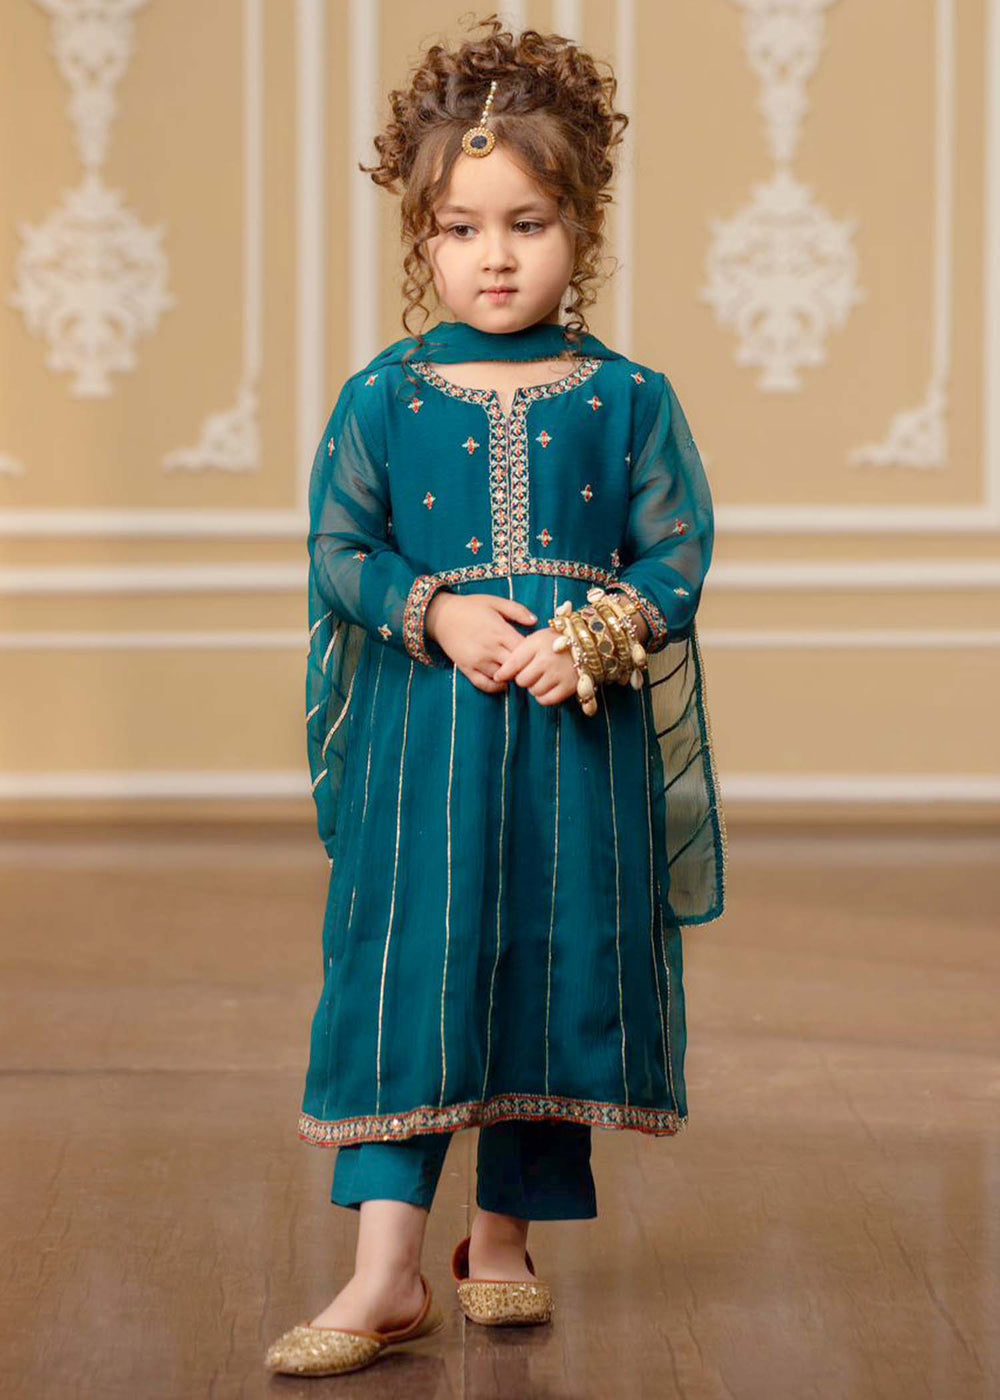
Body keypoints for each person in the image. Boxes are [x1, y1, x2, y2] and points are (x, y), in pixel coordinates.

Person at [266, 12, 727, 1378]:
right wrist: (439, 610)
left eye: (528, 223)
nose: (497, 256)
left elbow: (677, 554)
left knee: (548, 959)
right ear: (423, 238)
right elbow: (340, 548)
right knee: (411, 970)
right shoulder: (385, 397)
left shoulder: (627, 397)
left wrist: (595, 633)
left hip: (575, 746)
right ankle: (384, 1273)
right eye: (462, 229)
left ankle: (504, 1241)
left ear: (582, 226)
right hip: (425, 740)